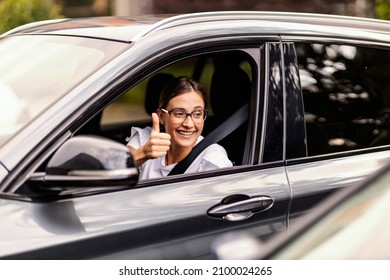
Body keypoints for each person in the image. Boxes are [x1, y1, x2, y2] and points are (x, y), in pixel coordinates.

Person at [127, 76, 232, 180]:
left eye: (197, 114)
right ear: (161, 116)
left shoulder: (212, 159)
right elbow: (112, 172)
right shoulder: (146, 139)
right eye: (179, 113)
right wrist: (143, 154)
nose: (189, 124)